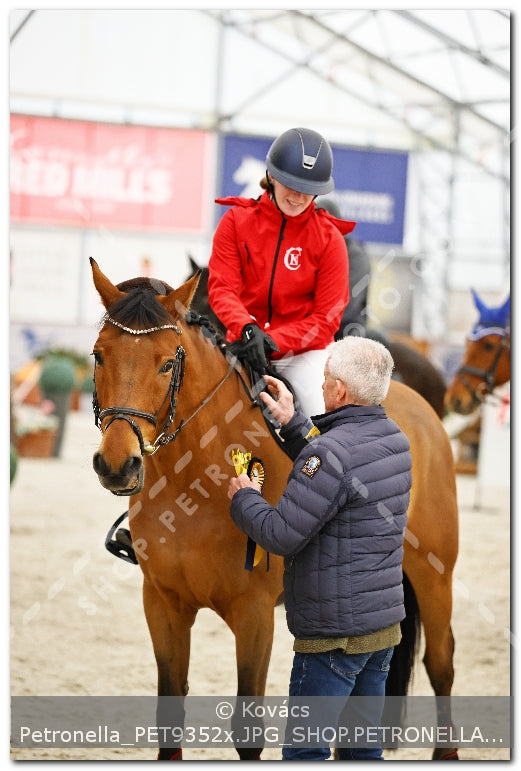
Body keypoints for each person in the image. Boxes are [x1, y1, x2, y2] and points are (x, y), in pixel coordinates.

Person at [227, 336, 412, 761]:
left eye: (326, 379)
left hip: (333, 639)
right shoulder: (395, 440)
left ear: (341, 390)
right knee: (362, 752)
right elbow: (338, 477)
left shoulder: (330, 454)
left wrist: (245, 497)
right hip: (380, 630)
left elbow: (281, 534)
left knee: (305, 754)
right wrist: (294, 423)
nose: (323, 385)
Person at [208, 127, 356, 416]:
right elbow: (222, 289)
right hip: (241, 343)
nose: (299, 196)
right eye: (291, 183)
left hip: (301, 355)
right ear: (272, 176)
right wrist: (247, 329)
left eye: (309, 189)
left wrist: (273, 341)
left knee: (321, 410)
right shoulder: (235, 222)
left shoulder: (330, 239)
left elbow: (326, 318)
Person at [315, 196, 372, 339]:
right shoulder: (312, 249)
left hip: (347, 328)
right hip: (313, 325)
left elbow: (346, 305)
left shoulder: (355, 256)